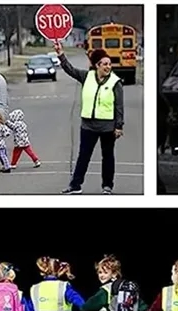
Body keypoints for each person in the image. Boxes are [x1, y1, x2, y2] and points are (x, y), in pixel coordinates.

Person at [54, 41, 124, 195]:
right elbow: (69, 69)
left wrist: (119, 126)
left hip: (107, 127)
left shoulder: (115, 82)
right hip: (88, 126)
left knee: (107, 156)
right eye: (104, 64)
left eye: (109, 64)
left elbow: (119, 106)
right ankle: (75, 185)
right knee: (83, 156)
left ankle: (107, 186)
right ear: (97, 65)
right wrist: (61, 54)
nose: (107, 67)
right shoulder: (87, 76)